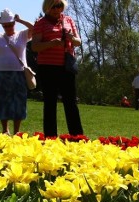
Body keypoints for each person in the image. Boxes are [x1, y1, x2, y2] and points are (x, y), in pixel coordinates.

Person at [31, 0, 84, 137]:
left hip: (66, 66)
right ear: (47, 7)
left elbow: (78, 42)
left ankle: (77, 136)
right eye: (54, 6)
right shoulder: (40, 23)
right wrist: (51, 44)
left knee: (71, 102)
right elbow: (34, 46)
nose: (57, 9)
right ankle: (50, 137)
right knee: (50, 103)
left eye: (59, 5)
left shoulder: (68, 20)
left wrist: (71, 38)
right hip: (47, 67)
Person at [0, 9, 34, 135]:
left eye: (10, 25)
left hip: (19, 72)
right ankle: (5, 129)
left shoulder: (22, 35)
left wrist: (20, 20)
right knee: (2, 100)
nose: (8, 27)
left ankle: (17, 131)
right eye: (5, 25)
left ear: (14, 24)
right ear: (2, 25)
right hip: (0, 72)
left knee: (18, 101)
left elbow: (35, 28)